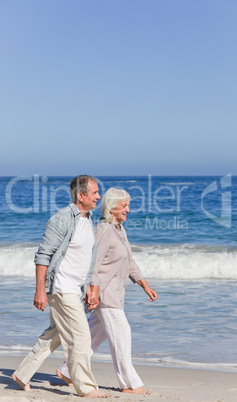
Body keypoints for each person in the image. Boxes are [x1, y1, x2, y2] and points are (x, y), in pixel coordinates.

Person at [12, 175, 111, 398]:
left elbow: (85, 257)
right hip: (60, 287)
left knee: (55, 334)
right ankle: (86, 387)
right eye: (94, 192)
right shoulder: (63, 219)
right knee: (81, 336)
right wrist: (40, 290)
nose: (98, 196)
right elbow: (43, 256)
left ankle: (22, 374)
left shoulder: (87, 219)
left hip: (74, 288)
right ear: (81, 195)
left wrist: (87, 285)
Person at [57, 187, 158, 394]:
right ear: (112, 208)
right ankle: (130, 383)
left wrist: (145, 285)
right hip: (103, 292)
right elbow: (93, 262)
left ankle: (68, 370)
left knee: (95, 334)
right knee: (122, 333)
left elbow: (129, 262)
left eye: (128, 205)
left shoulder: (119, 229)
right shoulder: (104, 229)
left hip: (115, 292)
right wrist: (92, 290)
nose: (128, 210)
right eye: (124, 206)